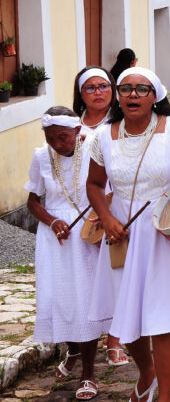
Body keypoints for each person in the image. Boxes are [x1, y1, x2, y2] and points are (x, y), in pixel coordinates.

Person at [86, 67, 170, 402]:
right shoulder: (102, 137)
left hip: (165, 235)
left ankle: (165, 397)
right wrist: (106, 218)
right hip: (122, 235)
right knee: (127, 316)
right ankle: (147, 372)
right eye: (126, 88)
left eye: (141, 89)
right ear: (118, 96)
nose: (133, 94)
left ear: (155, 96)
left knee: (162, 320)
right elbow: (94, 184)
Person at [26, 107, 111, 400]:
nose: (57, 144)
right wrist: (52, 221)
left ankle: (88, 373)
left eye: (62, 137)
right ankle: (73, 350)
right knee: (59, 298)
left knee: (85, 300)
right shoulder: (41, 156)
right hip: (55, 239)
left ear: (77, 130)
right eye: (50, 139)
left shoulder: (95, 150)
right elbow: (33, 201)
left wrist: (102, 220)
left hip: (88, 233)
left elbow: (109, 189)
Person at [71, 67, 131, 367]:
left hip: (111, 203)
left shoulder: (122, 122)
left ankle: (115, 339)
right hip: (77, 204)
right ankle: (84, 334)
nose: (98, 92)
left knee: (116, 270)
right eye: (91, 88)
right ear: (81, 94)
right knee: (87, 276)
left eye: (104, 86)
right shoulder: (71, 125)